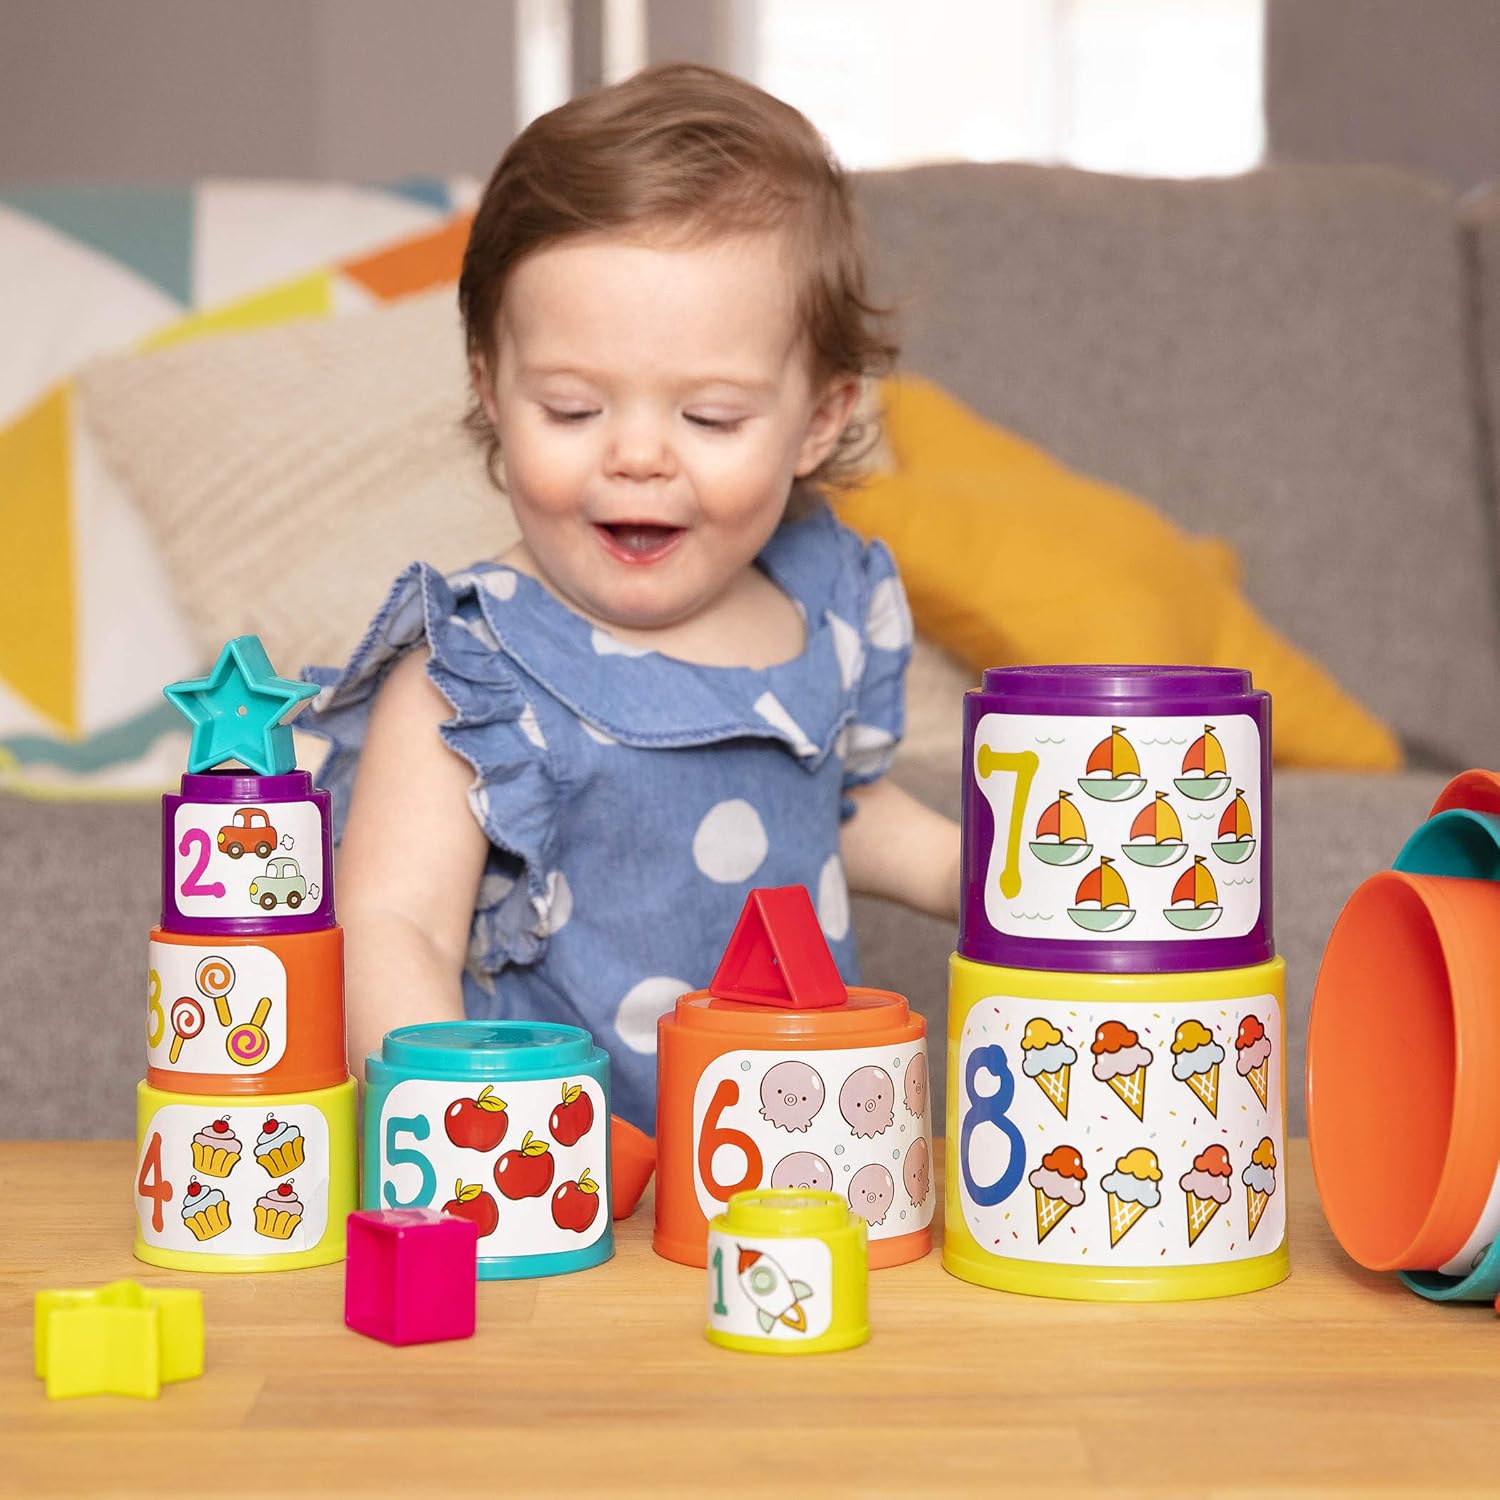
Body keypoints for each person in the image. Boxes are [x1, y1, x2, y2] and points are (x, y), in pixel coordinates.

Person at [300, 62, 961, 1130]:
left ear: (820, 420)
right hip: (555, 1182)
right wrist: (469, 1132)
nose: (639, 456)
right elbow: (391, 926)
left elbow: (834, 810)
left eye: (709, 417)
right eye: (571, 408)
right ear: (490, 389)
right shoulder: (474, 668)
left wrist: (973, 877)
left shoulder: (827, 603)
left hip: (796, 1163)